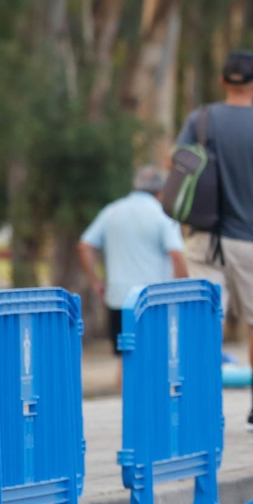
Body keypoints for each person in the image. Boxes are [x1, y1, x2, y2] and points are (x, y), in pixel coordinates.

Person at [176, 49, 253, 424]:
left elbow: (177, 163)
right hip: (249, 239)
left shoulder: (200, 118)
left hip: (202, 238)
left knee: (203, 320)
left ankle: (199, 407)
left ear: (222, 82)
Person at [78, 165, 190, 389]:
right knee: (158, 359)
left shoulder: (112, 211)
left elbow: (85, 245)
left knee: (125, 360)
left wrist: (95, 280)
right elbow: (176, 254)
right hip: (153, 300)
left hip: (119, 298)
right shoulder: (162, 215)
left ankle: (126, 415)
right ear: (161, 191)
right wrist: (183, 289)